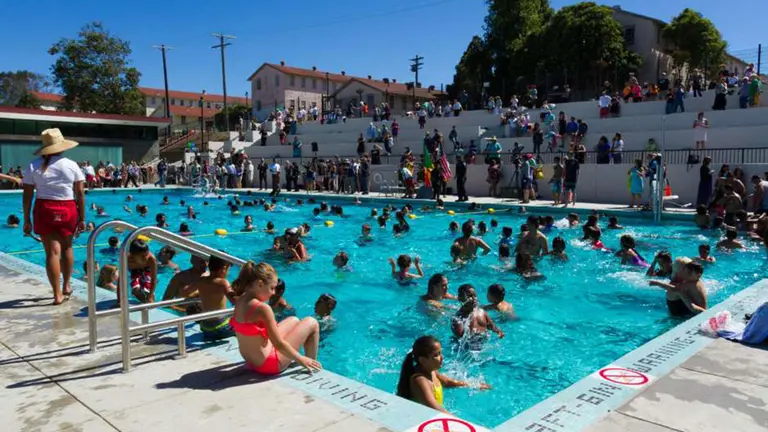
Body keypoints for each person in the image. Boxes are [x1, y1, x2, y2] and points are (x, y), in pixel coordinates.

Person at [22, 129, 86, 305]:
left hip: (44, 208)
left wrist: (26, 219)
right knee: (67, 249)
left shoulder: (33, 165)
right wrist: (82, 218)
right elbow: (79, 193)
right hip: (68, 208)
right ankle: (66, 286)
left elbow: (27, 196)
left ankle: (57, 294)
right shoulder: (72, 165)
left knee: (52, 252)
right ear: (62, 146)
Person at [231, 261, 321, 374]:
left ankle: (308, 362)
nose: (274, 293)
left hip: (251, 361)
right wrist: (302, 359)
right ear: (260, 284)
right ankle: (312, 365)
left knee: (294, 320)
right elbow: (278, 343)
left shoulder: (240, 300)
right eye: (272, 288)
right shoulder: (262, 308)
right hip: (268, 364)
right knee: (312, 322)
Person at [396, 335, 489, 414]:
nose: (442, 357)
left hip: (433, 415)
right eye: (436, 355)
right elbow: (433, 406)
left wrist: (473, 385)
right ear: (423, 360)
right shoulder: (420, 380)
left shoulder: (432, 371)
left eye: (440, 353)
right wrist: (458, 421)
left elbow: (448, 382)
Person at [181, 256, 237, 341]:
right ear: (224, 268)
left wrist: (200, 293)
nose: (228, 273)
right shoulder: (223, 282)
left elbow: (184, 292)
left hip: (206, 329)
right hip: (221, 327)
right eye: (228, 270)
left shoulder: (201, 280)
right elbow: (234, 301)